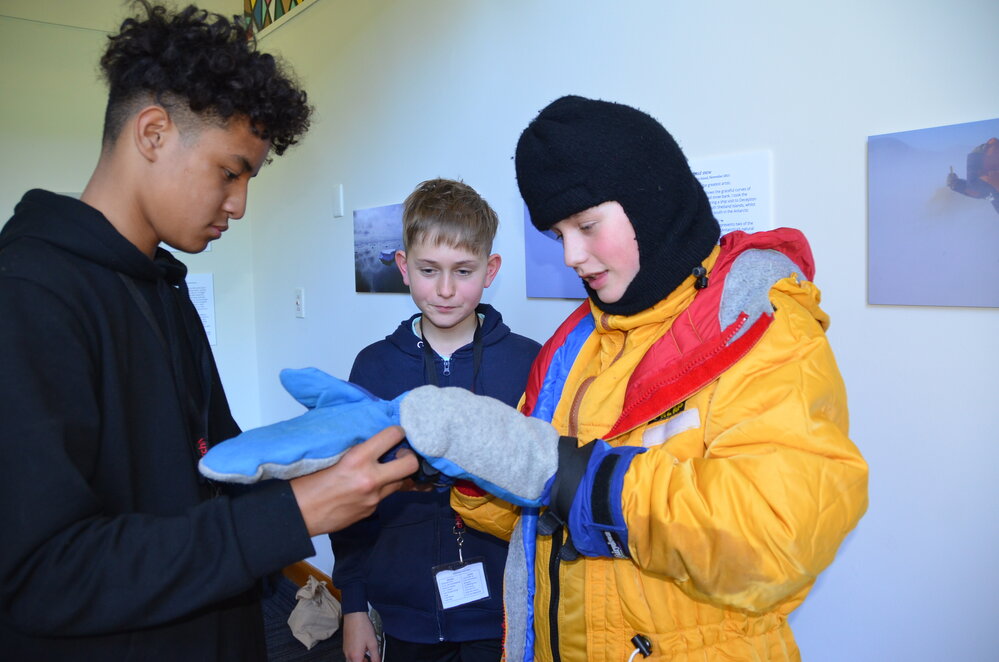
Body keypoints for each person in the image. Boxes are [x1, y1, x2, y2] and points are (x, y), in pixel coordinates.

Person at [0, 3, 417, 660]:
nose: (240, 206)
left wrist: (333, 462)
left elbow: (207, 479)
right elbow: (42, 574)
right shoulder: (26, 294)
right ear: (154, 133)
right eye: (230, 172)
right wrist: (295, 514)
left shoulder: (163, 287)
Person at [399, 96, 869, 661]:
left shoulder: (764, 328)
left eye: (586, 225)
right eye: (557, 234)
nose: (572, 255)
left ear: (651, 202)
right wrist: (467, 463)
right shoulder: (576, 344)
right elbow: (536, 521)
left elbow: (778, 537)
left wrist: (585, 481)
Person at [332, 178, 542, 662]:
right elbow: (351, 495)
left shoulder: (530, 363)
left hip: (504, 609)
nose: (445, 290)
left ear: (490, 270)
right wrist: (354, 606)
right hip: (405, 609)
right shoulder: (373, 367)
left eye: (463, 271)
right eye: (429, 270)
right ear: (404, 268)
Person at [946, 137, 999, 215]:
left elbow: (982, 191)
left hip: (983, 156)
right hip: (983, 157)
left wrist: (955, 184)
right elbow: (981, 190)